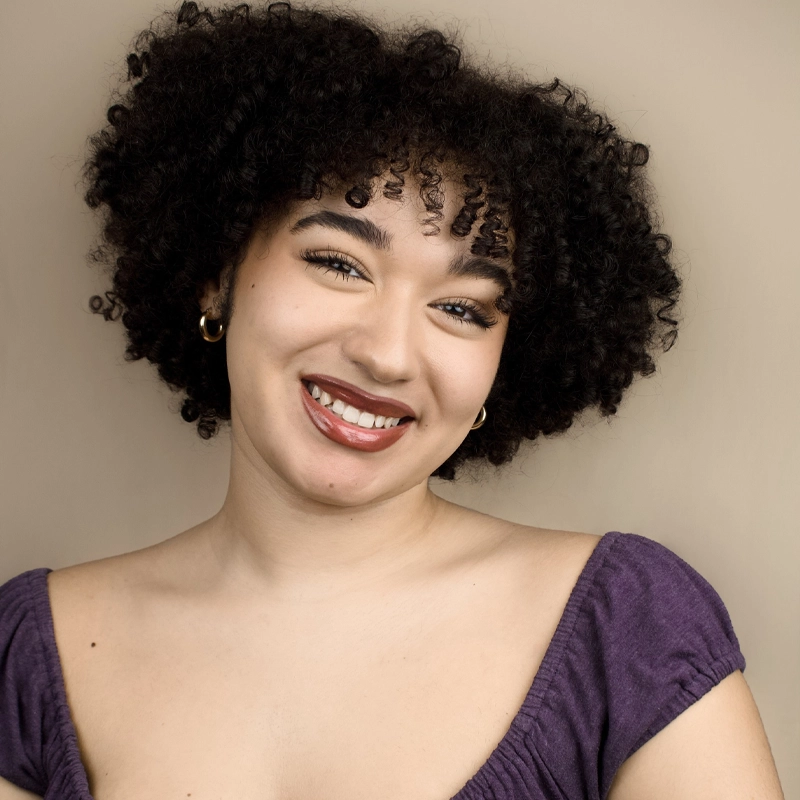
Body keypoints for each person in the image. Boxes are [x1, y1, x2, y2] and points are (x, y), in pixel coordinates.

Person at [0, 2, 785, 798]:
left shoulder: (628, 631)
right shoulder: (32, 651)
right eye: (340, 263)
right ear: (217, 270)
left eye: (462, 309)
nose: (387, 353)